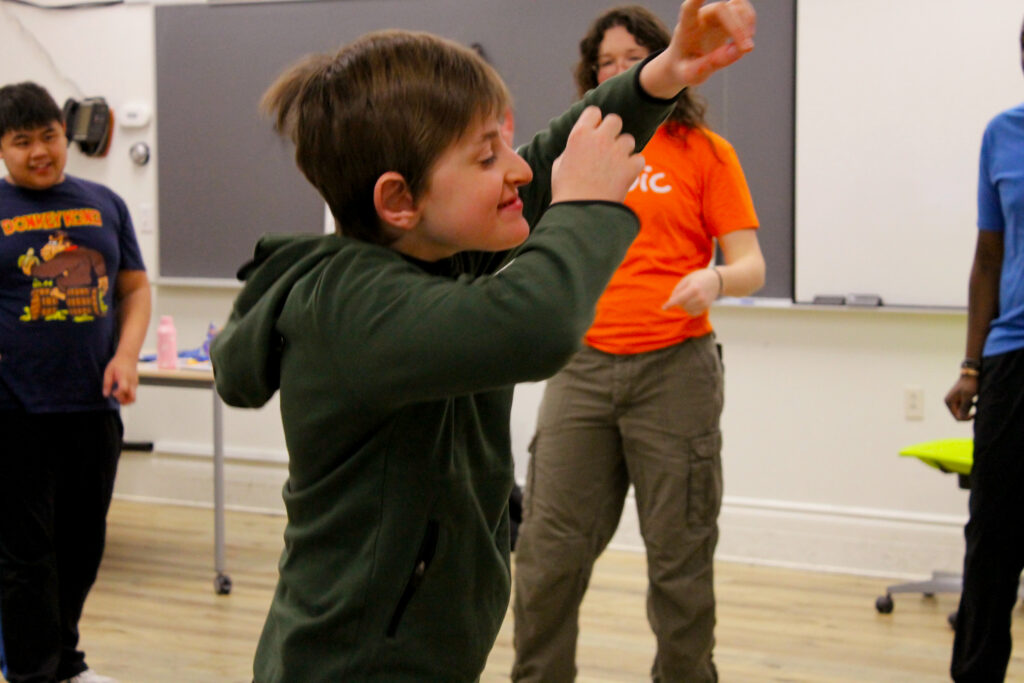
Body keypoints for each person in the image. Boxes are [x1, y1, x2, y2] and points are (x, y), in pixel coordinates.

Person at [209, 3, 756, 680]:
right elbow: (535, 324)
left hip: (424, 654)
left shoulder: (431, 252)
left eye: (505, 144)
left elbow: (552, 152)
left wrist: (664, 72)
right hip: (352, 665)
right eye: (487, 155)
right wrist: (586, 206)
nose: (518, 171)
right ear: (399, 200)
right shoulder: (352, 308)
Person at [510, 6, 765, 682]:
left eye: (631, 59)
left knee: (679, 558)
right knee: (545, 554)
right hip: (581, 367)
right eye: (605, 64)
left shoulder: (706, 153)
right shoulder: (575, 155)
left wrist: (713, 277)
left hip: (675, 369)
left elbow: (751, 264)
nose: (618, 72)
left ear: (666, 59)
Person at [0, 81, 151, 683]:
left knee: (81, 546)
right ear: (2, 149)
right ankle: (33, 672)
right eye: (21, 141)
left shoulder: (104, 203)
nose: (40, 151)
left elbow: (133, 290)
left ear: (66, 137)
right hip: (12, 411)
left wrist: (128, 356)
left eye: (49, 137)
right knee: (23, 556)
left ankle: (63, 661)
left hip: (93, 404)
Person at [944, 16, 1024, 683]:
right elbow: (988, 257)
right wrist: (971, 364)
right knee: (992, 535)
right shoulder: (1003, 133)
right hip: (1012, 358)